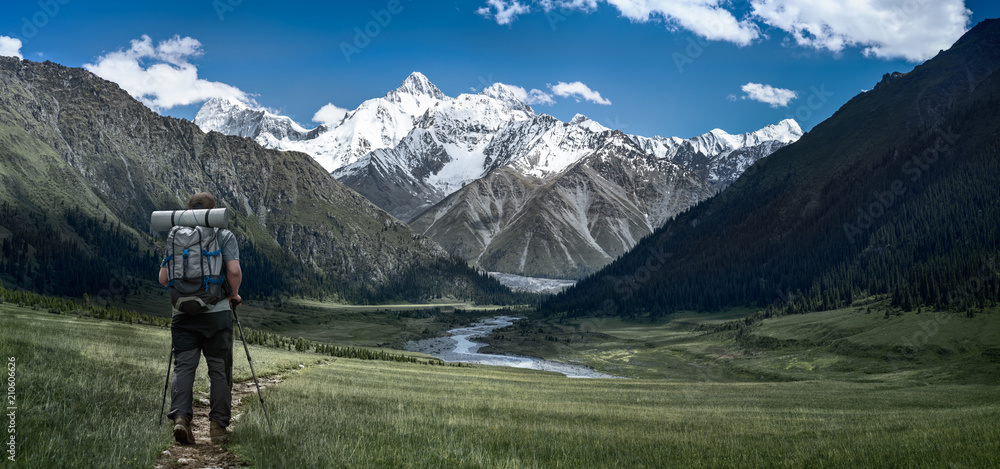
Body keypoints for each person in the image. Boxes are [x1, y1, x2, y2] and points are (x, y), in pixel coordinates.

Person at [158, 192, 243, 444]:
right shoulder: (223, 235)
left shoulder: (175, 236)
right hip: (216, 314)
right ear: (213, 211)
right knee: (218, 369)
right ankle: (217, 426)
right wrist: (235, 295)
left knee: (184, 367)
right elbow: (234, 270)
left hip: (182, 314)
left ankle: (181, 419)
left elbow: (163, 279)